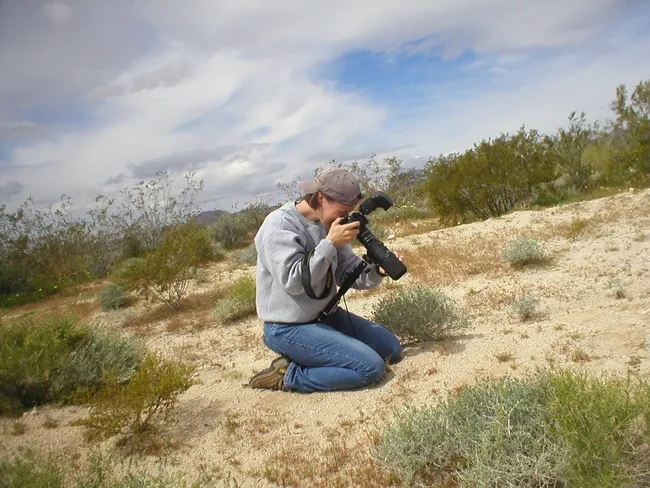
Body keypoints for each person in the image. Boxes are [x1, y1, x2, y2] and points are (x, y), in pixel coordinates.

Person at [248, 167, 404, 393]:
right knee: (370, 368)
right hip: (287, 327)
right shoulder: (279, 226)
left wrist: (378, 271)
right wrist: (329, 244)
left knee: (390, 348)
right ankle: (288, 375)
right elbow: (294, 282)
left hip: (325, 316)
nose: (344, 217)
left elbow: (346, 271)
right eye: (342, 210)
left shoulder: (329, 223)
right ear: (321, 197)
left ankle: (314, 356)